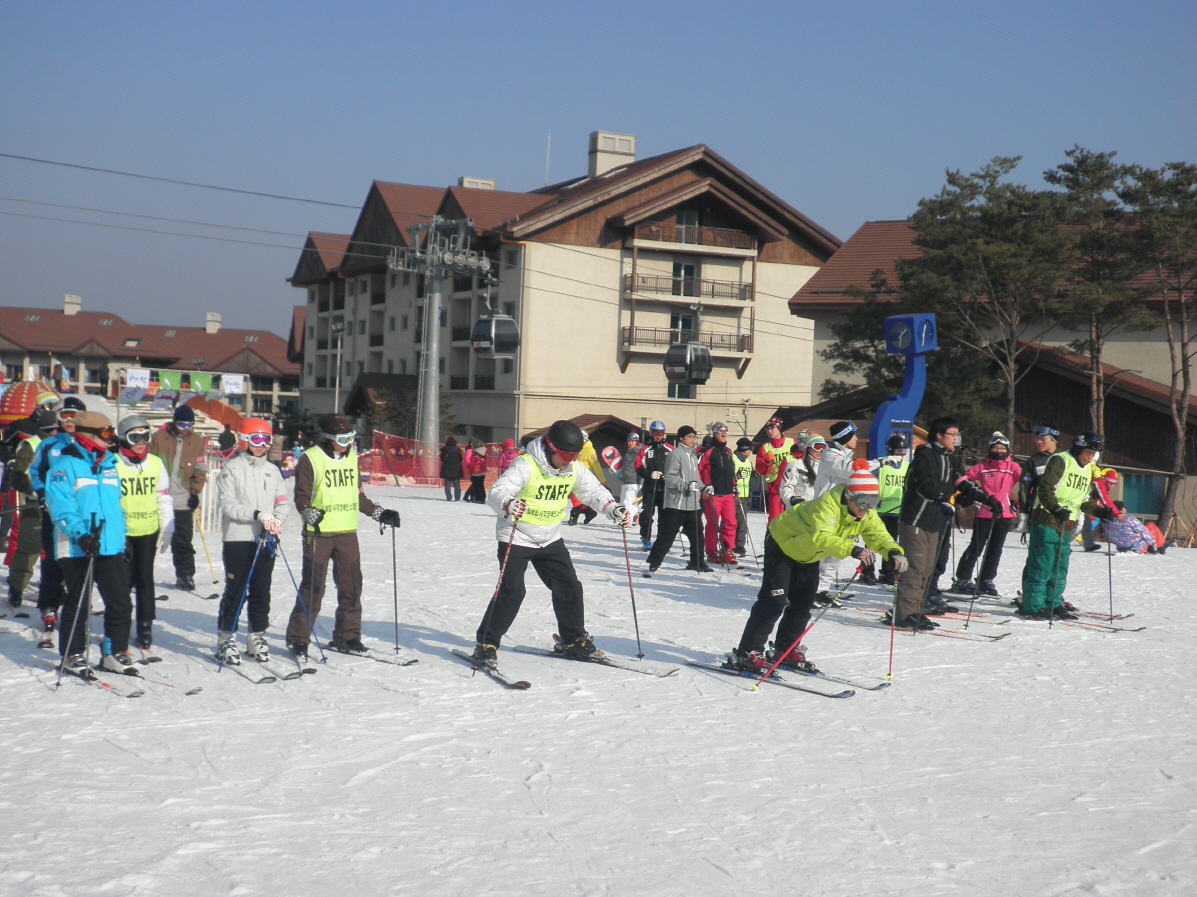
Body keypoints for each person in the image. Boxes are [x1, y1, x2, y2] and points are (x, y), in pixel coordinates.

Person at [471, 420, 630, 667]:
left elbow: (593, 492)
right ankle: (486, 644)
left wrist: (612, 508)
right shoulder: (527, 464)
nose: (569, 460)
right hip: (518, 535)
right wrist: (508, 504)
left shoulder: (573, 469)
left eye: (574, 455)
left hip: (549, 537)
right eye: (565, 454)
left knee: (569, 587)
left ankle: (573, 640)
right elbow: (498, 490)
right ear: (550, 448)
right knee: (512, 591)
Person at [731, 460, 906, 672]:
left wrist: (894, 552)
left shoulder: (866, 513)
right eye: (863, 502)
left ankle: (786, 649)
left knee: (803, 603)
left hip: (808, 554)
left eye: (873, 503)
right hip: (783, 544)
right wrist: (853, 549)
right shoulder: (827, 505)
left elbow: (879, 535)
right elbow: (822, 536)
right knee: (774, 601)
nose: (866, 509)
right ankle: (748, 651)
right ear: (849, 496)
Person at [285, 415, 400, 659]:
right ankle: (299, 639)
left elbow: (357, 495)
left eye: (351, 437)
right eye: (343, 438)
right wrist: (308, 512)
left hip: (347, 533)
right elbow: (301, 497)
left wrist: (380, 513)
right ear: (328, 438)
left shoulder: (351, 458)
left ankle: (347, 636)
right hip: (319, 534)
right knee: (313, 587)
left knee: (352, 587)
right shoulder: (311, 459)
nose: (348, 442)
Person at [44, 411, 133, 677]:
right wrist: (81, 535)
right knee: (79, 602)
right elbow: (60, 506)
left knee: (120, 602)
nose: (111, 439)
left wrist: (122, 537)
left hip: (108, 544)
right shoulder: (65, 465)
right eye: (106, 434)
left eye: (111, 433)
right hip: (76, 545)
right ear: (86, 435)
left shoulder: (110, 465)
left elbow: (115, 506)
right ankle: (73, 655)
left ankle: (113, 652)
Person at [892, 417, 996, 630]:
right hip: (916, 519)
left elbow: (962, 482)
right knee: (915, 568)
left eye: (958, 435)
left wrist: (987, 499)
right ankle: (905, 614)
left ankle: (916, 610)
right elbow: (924, 484)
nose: (956, 439)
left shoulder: (952, 458)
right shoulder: (925, 455)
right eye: (952, 435)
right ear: (939, 435)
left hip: (936, 522)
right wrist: (940, 499)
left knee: (928, 569)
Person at [214, 418, 291, 665]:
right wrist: (257, 515)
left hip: (266, 538)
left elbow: (281, 502)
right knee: (236, 591)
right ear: (243, 440)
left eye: (266, 440)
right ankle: (226, 638)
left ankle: (256, 636)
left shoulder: (272, 470)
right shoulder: (231, 469)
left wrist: (277, 520)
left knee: (261, 591)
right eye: (256, 440)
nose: (261, 446)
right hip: (239, 538)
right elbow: (228, 506)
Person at [1020, 431, 1112, 620]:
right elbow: (1045, 489)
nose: (1091, 458)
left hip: (1066, 522)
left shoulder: (1087, 469)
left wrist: (1099, 511)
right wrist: (1054, 507)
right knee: (1043, 564)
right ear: (1079, 448)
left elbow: (1083, 500)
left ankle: (1053, 604)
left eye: (1094, 454)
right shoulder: (1061, 460)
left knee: (1060, 566)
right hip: (1046, 517)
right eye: (1089, 453)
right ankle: (1033, 606)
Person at [114, 415, 173, 651]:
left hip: (148, 531)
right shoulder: (113, 463)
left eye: (145, 436)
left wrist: (168, 525)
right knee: (123, 582)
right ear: (123, 439)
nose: (140, 442)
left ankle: (145, 626)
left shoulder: (156, 463)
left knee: (145, 579)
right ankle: (120, 623)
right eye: (134, 437)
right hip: (123, 532)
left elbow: (164, 497)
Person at [28, 396, 85, 640]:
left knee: (78, 561)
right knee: (52, 558)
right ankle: (49, 605)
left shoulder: (89, 446)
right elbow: (35, 472)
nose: (70, 421)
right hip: (54, 512)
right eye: (65, 416)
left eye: (75, 416)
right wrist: (42, 493)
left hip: (81, 514)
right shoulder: (50, 445)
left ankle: (76, 603)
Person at [953, 432, 1021, 596]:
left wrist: (1019, 503)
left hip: (1004, 514)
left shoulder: (1013, 468)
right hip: (984, 512)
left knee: (995, 549)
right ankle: (963, 577)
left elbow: (1027, 484)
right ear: (990, 449)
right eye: (995, 447)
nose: (998, 451)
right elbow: (963, 479)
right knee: (976, 547)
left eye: (1002, 448)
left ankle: (986, 579)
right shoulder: (983, 467)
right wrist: (966, 496)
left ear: (1007, 450)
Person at [149, 404, 208, 591]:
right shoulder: (159, 437)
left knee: (183, 541)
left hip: (182, 498)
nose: (186, 429)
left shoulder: (197, 441)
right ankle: (137, 575)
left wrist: (195, 492)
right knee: (149, 540)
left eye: (189, 425)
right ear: (175, 423)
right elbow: (148, 461)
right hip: (158, 497)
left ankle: (185, 575)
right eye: (182, 425)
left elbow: (200, 469)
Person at [5, 409, 57, 608]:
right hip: (33, 505)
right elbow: (17, 476)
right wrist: (35, 492)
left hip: (57, 506)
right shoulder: (30, 445)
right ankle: (16, 588)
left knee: (56, 550)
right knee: (29, 549)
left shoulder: (64, 445)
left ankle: (56, 588)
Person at [646, 425, 707, 574]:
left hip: (692, 503)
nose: (693, 440)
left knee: (697, 534)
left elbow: (695, 479)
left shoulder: (693, 456)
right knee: (668, 535)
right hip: (676, 503)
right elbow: (670, 477)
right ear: (681, 438)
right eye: (690, 437)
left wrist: (704, 487)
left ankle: (697, 562)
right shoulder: (675, 454)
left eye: (694, 437)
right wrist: (686, 486)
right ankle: (654, 561)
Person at [698, 423, 739, 565]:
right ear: (714, 433)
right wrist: (703, 488)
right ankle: (712, 551)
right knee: (713, 524)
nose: (723, 434)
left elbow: (731, 471)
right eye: (720, 431)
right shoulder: (707, 451)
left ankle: (728, 550)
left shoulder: (728, 452)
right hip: (713, 494)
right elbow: (698, 470)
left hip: (727, 493)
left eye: (725, 431)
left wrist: (734, 487)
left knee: (731, 522)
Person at [874, 433, 909, 586]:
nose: (901, 455)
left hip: (897, 512)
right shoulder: (882, 466)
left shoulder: (908, 467)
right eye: (898, 451)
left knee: (891, 543)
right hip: (879, 511)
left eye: (904, 451)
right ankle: (868, 570)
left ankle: (887, 572)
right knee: (873, 542)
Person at [1018, 425, 1059, 541]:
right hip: (1039, 511)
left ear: (1053, 439)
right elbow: (1024, 488)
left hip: (1060, 510)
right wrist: (1024, 512)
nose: (1038, 442)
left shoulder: (1065, 458)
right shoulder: (1033, 461)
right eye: (1036, 438)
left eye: (1042, 438)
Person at [635, 421, 671, 550]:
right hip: (650, 488)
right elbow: (638, 467)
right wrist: (650, 474)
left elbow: (675, 467)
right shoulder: (645, 449)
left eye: (660, 433)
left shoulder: (669, 449)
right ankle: (646, 538)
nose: (658, 436)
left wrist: (668, 476)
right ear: (651, 434)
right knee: (647, 515)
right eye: (655, 433)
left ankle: (662, 539)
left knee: (664, 516)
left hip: (664, 488)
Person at [755, 417, 793, 522]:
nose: (769, 431)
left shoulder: (791, 443)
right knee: (775, 519)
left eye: (772, 428)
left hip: (792, 486)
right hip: (775, 488)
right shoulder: (765, 447)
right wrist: (767, 463)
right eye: (767, 429)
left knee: (793, 518)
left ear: (779, 428)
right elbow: (760, 470)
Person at [731, 437, 755, 556]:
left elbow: (751, 477)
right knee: (730, 522)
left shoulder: (748, 462)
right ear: (746, 449)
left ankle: (739, 545)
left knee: (742, 523)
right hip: (733, 494)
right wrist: (737, 476)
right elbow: (727, 475)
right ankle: (728, 545)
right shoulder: (733, 459)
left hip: (745, 495)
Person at [618, 431, 641, 507]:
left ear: (637, 442)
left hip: (634, 483)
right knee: (622, 505)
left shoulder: (640, 452)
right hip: (625, 482)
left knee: (628, 505)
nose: (630, 443)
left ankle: (633, 517)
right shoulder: (628, 452)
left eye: (632, 441)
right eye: (629, 441)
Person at [438, 436, 463, 501]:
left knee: (447, 483)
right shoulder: (458, 450)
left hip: (447, 468)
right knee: (457, 483)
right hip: (456, 468)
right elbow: (461, 459)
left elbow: (442, 459)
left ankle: (449, 498)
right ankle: (457, 498)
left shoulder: (444, 450)